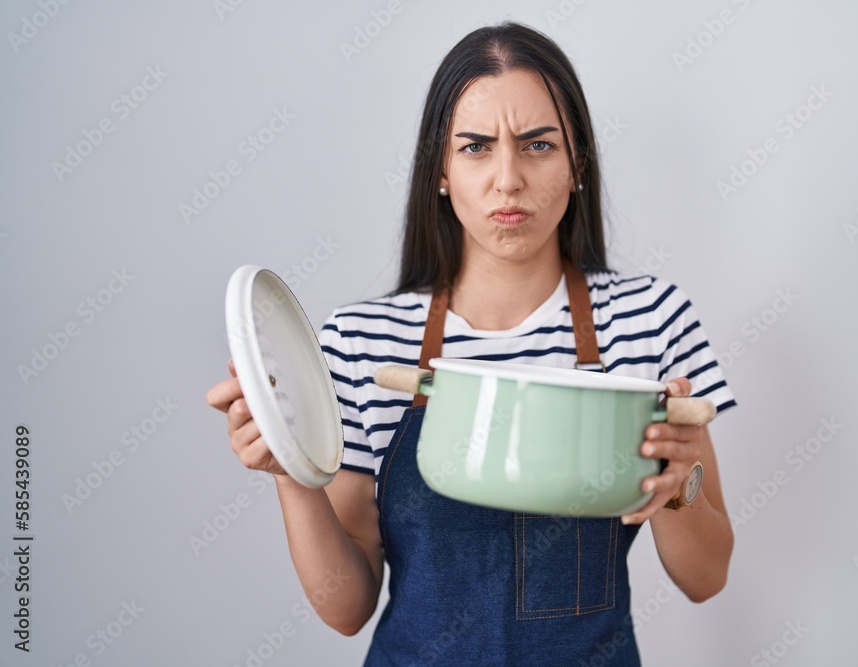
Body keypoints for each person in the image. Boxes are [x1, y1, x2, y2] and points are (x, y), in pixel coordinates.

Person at [207, 22, 736, 666]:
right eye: (476, 147)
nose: (507, 179)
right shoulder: (360, 342)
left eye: (539, 145)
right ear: (441, 171)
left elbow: (706, 579)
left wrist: (677, 487)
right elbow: (345, 609)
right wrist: (289, 472)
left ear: (577, 167)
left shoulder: (650, 319)